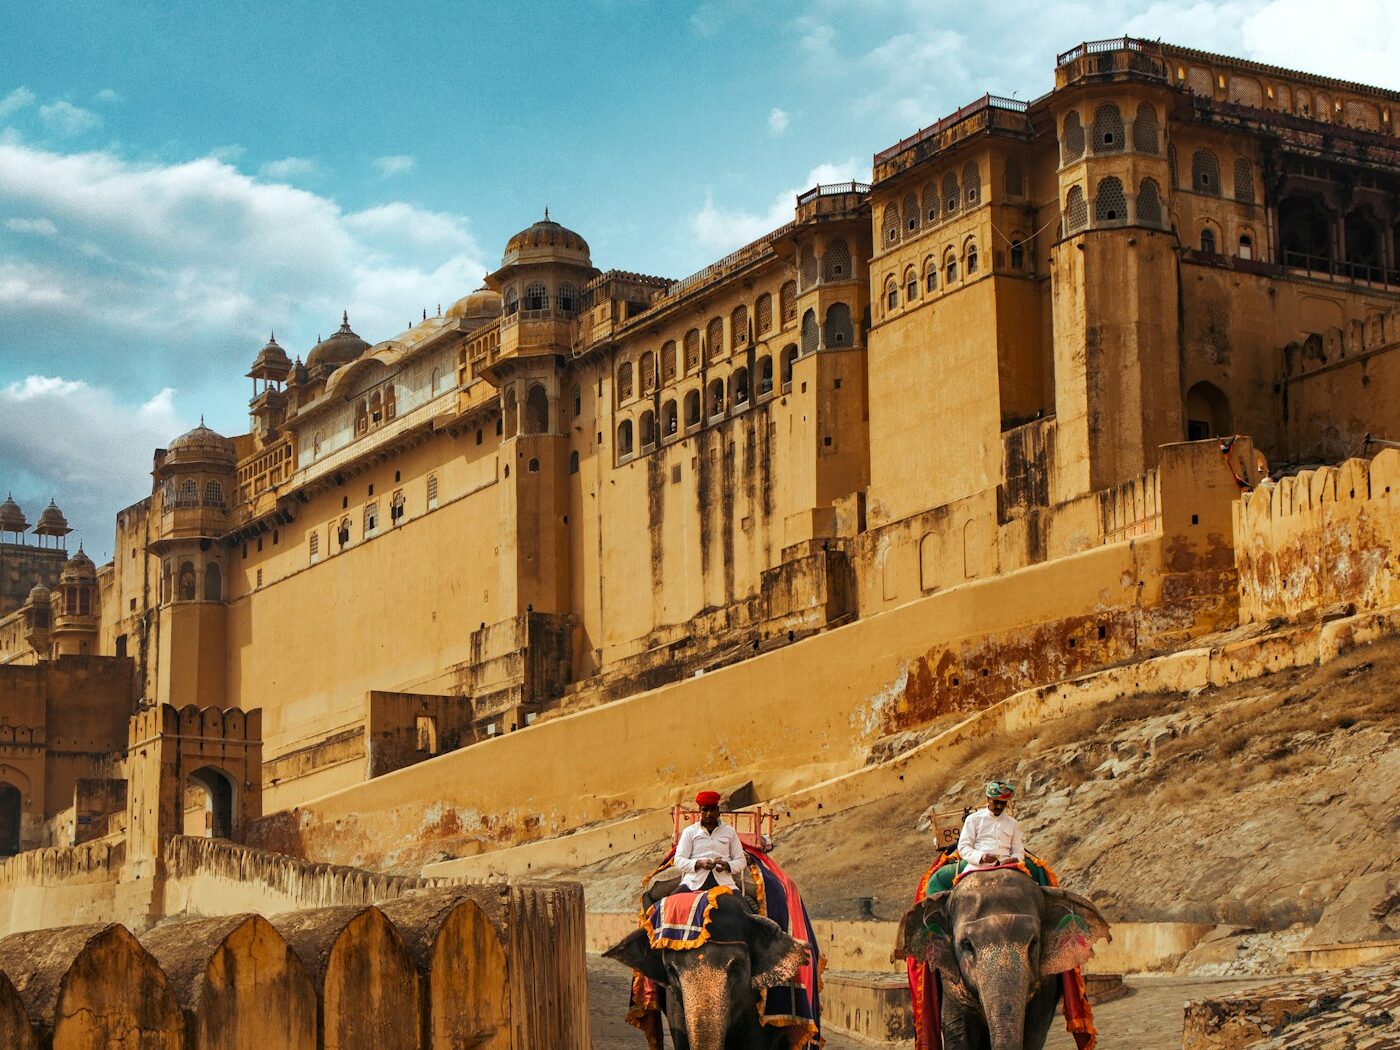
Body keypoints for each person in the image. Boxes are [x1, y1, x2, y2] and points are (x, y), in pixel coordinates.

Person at [675, 790, 747, 891]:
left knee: (743, 907)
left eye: (712, 809)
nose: (709, 814)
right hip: (693, 883)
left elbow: (741, 861)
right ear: (700, 811)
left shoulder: (729, 832)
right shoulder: (689, 832)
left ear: (718, 811)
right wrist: (698, 863)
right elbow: (678, 860)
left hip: (724, 883)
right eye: (705, 810)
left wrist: (727, 865)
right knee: (668, 905)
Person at [957, 780, 1024, 872]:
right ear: (988, 799)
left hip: (1007, 867)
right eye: (996, 802)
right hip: (977, 868)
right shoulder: (973, 819)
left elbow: (1018, 850)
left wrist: (1014, 858)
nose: (999, 806)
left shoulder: (1013, 823)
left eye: (1003, 803)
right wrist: (981, 856)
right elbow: (963, 847)